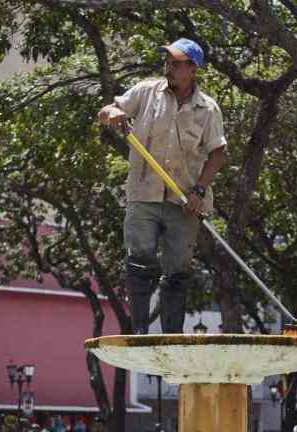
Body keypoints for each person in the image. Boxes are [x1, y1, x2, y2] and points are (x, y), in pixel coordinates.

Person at [98, 38, 227, 335]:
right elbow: (105, 112)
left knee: (178, 271)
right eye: (167, 61)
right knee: (139, 260)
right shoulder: (145, 92)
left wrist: (199, 191)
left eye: (176, 63)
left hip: (184, 202)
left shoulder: (207, 109)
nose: (168, 67)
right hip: (144, 194)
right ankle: (138, 332)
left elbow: (217, 154)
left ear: (193, 69)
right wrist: (113, 114)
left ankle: (171, 336)